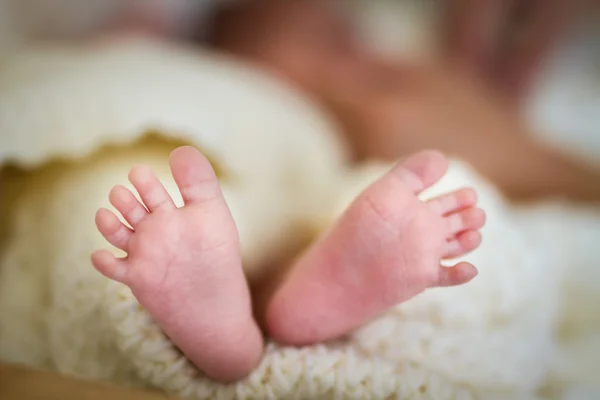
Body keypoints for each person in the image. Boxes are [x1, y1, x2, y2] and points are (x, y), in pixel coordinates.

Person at [92, 145, 486, 382]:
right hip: (289, 176)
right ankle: (285, 302)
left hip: (256, 190)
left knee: (274, 235)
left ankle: (240, 325)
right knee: (292, 235)